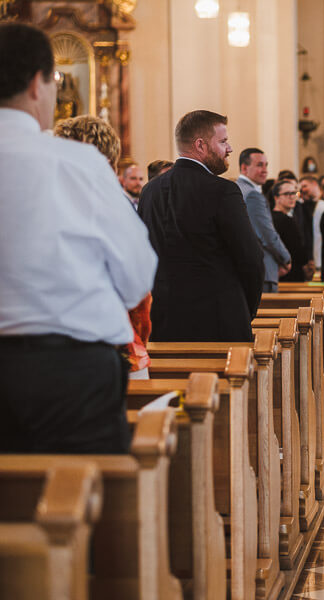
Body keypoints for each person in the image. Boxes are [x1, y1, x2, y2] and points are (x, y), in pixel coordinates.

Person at [0, 23, 157, 453]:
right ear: (37, 84)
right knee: (83, 504)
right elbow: (136, 276)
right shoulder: (80, 164)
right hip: (69, 374)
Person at [139, 110, 264, 342]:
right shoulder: (222, 190)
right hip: (217, 322)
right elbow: (251, 259)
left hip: (164, 322)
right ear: (201, 145)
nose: (230, 149)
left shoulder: (149, 191)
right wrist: (244, 308)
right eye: (223, 141)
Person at [53, 114, 154, 381]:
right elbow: (139, 290)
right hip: (109, 347)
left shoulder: (40, 198)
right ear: (109, 161)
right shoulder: (109, 203)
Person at [237, 147, 292, 293]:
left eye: (266, 165)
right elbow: (266, 233)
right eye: (259, 165)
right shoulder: (252, 195)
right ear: (244, 167)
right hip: (263, 270)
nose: (265, 170)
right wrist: (286, 258)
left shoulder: (237, 189)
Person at [271, 179, 314, 282]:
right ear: (276, 198)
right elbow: (298, 251)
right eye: (287, 194)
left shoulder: (278, 217)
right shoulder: (284, 220)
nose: (292, 197)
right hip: (289, 273)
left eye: (294, 193)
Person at [298, 174, 324, 267]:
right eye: (300, 188)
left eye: (305, 186)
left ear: (314, 184)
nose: (302, 190)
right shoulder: (301, 208)